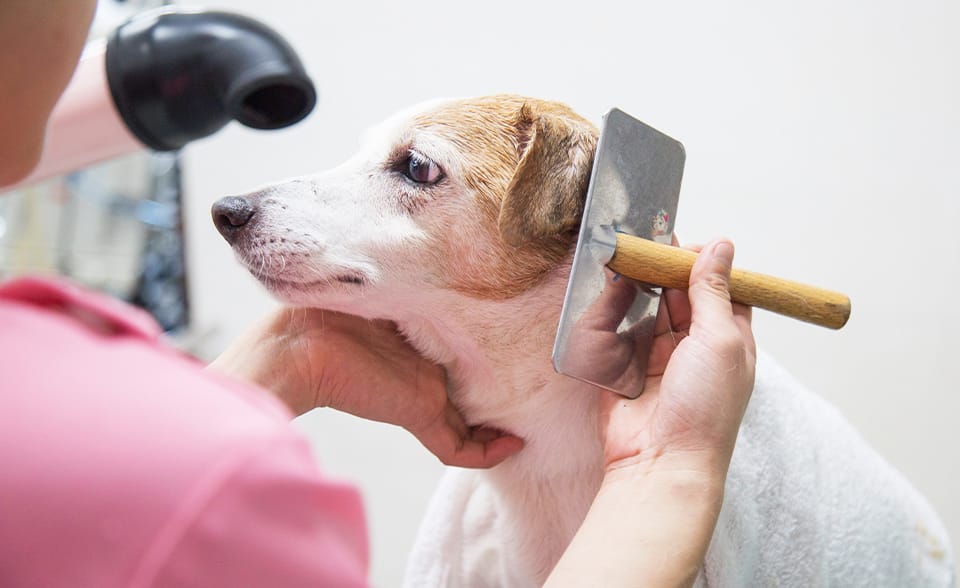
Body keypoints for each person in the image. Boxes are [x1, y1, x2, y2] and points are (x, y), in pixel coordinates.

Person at [0, 2, 756, 586]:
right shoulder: (220, 491)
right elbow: (141, 506)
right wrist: (671, 473)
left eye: (415, 171)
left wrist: (294, 353)